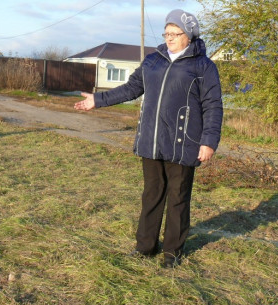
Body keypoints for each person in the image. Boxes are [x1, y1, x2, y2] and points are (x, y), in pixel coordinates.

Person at [74, 9, 223, 268]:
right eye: (167, 33)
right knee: (151, 195)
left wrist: (208, 141)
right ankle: (145, 247)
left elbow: (213, 105)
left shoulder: (203, 66)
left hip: (184, 143)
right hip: (151, 141)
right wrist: (98, 100)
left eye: (175, 33)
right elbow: (131, 88)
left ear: (189, 35)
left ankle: (172, 254)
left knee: (178, 198)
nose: (169, 38)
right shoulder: (153, 61)